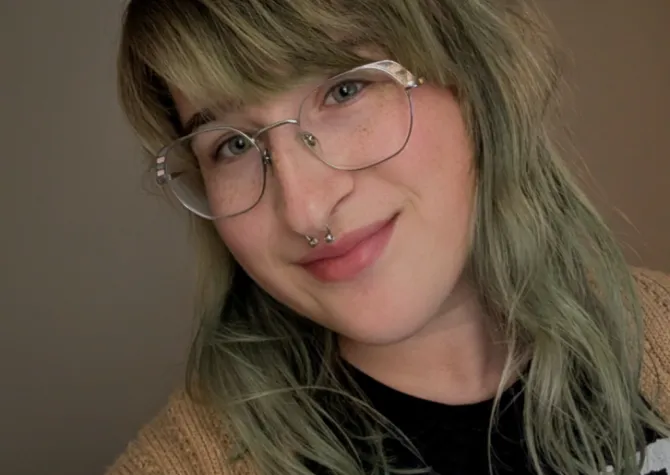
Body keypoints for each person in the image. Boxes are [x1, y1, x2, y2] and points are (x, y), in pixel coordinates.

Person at [107, 1, 670, 474]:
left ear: (472, 81)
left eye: (345, 90)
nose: (305, 211)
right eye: (232, 146)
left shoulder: (656, 328)